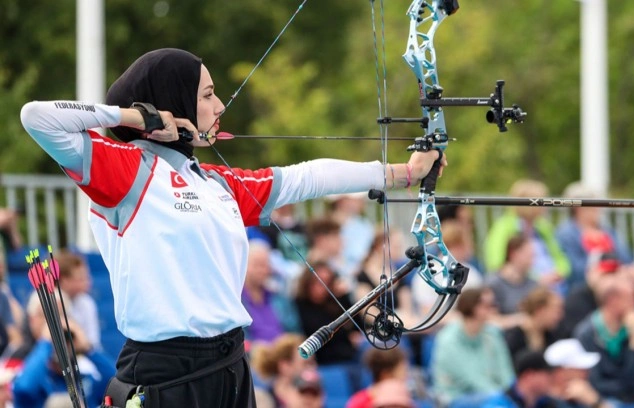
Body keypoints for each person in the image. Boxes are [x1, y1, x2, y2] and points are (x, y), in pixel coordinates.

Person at [20, 48, 442, 407]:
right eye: (206, 95)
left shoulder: (216, 183)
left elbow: (305, 177)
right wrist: (137, 117)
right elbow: (36, 117)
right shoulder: (126, 172)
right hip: (166, 371)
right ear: (173, 103)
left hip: (230, 364)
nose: (220, 105)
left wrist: (404, 172)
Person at [431, 286, 514, 405]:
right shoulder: (448, 339)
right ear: (474, 308)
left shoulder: (493, 334)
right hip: (456, 397)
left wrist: (513, 395)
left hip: (493, 394)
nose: (495, 308)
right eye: (489, 305)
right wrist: (503, 397)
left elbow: (506, 373)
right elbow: (470, 378)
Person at [574, 275, 634, 406]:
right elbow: (595, 382)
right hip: (602, 401)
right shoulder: (586, 333)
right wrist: (626, 387)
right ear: (613, 300)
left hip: (633, 401)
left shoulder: (633, 329)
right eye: (632, 298)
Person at [485, 179, 570, 286]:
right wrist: (537, 279)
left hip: (553, 284)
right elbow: (496, 263)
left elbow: (560, 256)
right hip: (520, 285)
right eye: (543, 201)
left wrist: (559, 272)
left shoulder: (544, 227)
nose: (546, 206)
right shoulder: (503, 227)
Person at [55, 249, 101, 350]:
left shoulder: (87, 303)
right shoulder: (52, 302)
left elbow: (93, 343)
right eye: (81, 278)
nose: (88, 281)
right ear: (64, 280)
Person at [544, 338, 609, 408]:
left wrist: (596, 402)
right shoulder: (542, 401)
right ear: (560, 372)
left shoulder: (583, 398)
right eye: (580, 369)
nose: (587, 372)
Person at [504, 287, 564, 361]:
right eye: (556, 311)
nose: (560, 316)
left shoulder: (552, 335)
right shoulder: (514, 337)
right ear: (540, 310)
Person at [479, 350, 555, 408]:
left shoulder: (549, 403)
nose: (551, 378)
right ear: (529, 375)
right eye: (547, 374)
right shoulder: (497, 404)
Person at [346, 347, 410, 408]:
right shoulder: (359, 402)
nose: (406, 376)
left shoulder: (403, 399)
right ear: (385, 374)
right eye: (402, 371)